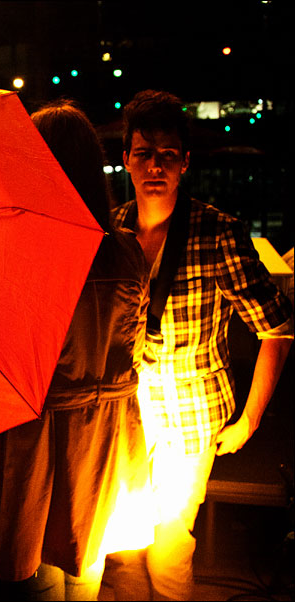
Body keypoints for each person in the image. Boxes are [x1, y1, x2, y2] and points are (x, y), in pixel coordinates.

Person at [0, 100, 152, 601]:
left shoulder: (23, 252)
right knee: (85, 568)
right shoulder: (127, 250)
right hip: (106, 437)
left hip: (38, 442)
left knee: (36, 567)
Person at [104, 90, 293, 600]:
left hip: (191, 415)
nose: (155, 166)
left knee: (168, 543)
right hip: (124, 411)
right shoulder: (113, 230)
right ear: (126, 160)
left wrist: (250, 418)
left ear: (185, 162)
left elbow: (277, 327)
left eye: (167, 154)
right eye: (143, 153)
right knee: (120, 545)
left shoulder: (218, 232)